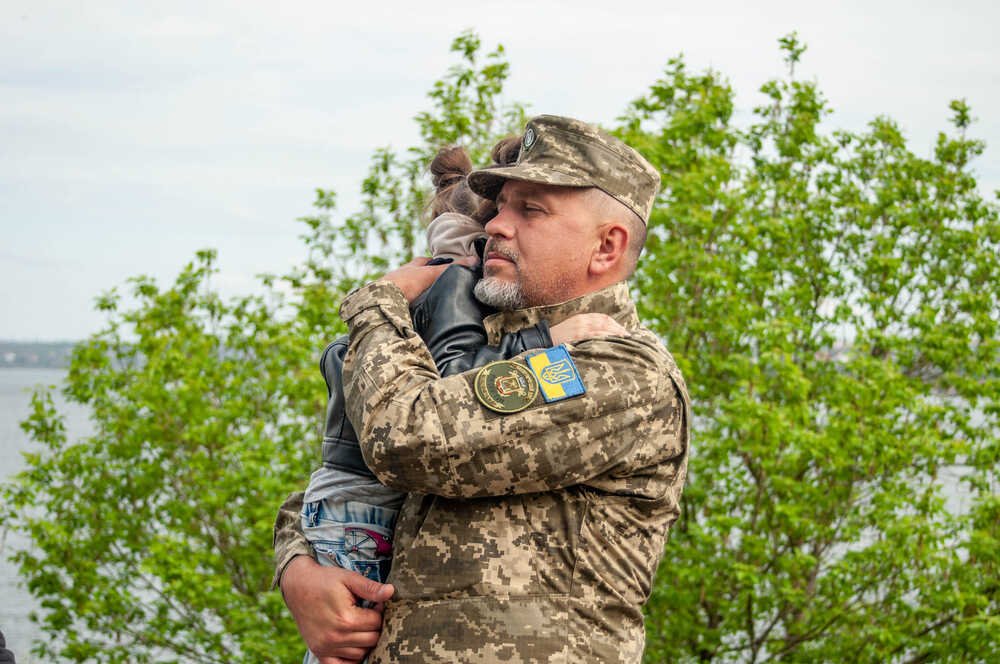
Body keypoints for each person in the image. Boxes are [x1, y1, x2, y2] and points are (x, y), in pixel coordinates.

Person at [275, 114, 690, 663]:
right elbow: (345, 468)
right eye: (499, 207)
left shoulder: (619, 369)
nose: (496, 225)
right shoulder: (478, 342)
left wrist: (379, 303)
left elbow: (408, 439)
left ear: (606, 247)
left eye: (531, 209)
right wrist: (298, 569)